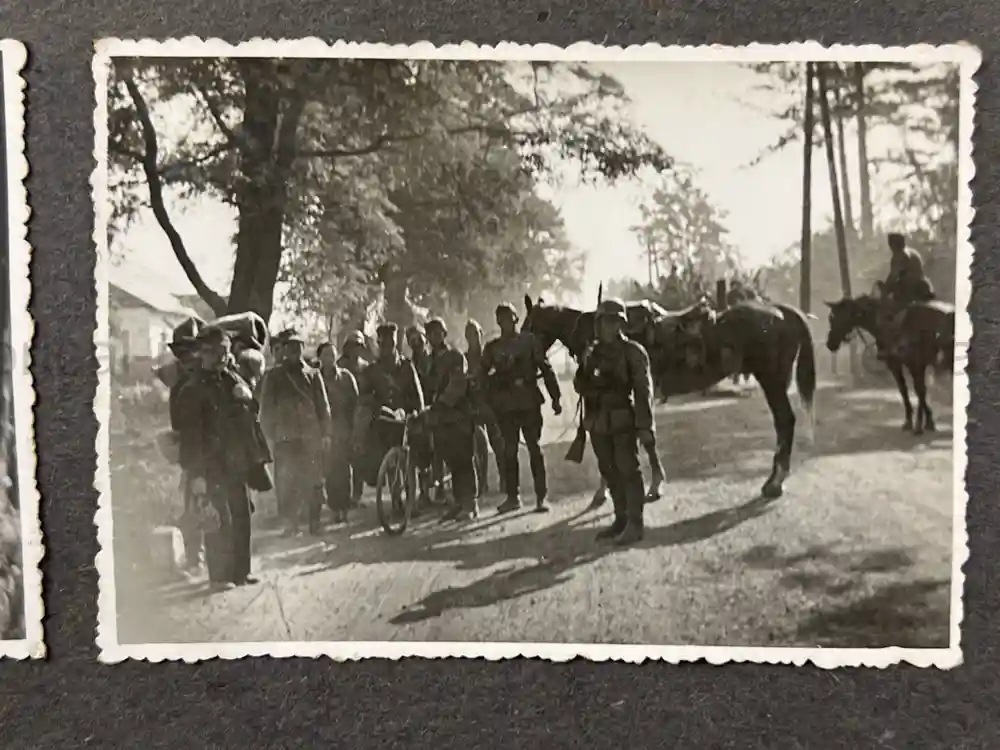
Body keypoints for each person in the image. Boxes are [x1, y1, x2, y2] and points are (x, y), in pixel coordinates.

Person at [177, 325, 273, 590]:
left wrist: (247, 396)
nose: (222, 357)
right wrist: (196, 474)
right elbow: (190, 436)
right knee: (219, 519)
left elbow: (252, 411)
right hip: (210, 465)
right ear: (203, 354)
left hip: (236, 461)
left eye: (225, 351)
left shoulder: (231, 378)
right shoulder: (193, 389)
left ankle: (241, 572)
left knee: (241, 514)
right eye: (217, 352)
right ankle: (219, 577)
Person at [573, 298, 654, 546]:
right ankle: (621, 519)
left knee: (628, 470)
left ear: (621, 323)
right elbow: (579, 386)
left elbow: (643, 391)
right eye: (604, 321)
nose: (608, 326)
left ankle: (635, 524)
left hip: (622, 419)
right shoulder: (593, 352)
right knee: (609, 470)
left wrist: (645, 426)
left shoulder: (633, 352)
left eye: (613, 321)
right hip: (599, 422)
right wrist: (585, 368)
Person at [480, 302, 561, 515]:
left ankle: (541, 497)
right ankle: (513, 497)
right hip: (505, 406)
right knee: (509, 450)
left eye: (509, 317)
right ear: (498, 322)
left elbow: (545, 367)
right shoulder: (493, 348)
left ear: (516, 319)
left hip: (528, 402)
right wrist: (488, 396)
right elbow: (481, 374)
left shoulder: (530, 342)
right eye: (501, 318)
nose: (505, 322)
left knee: (534, 447)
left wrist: (555, 397)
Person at [258, 329, 331, 535]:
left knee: (314, 480)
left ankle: (314, 522)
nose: (294, 352)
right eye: (290, 348)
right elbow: (266, 409)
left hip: (310, 436)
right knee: (287, 482)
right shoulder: (273, 376)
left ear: (302, 349)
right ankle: (291, 524)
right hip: (285, 437)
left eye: (297, 348)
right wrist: (269, 437)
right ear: (284, 351)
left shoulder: (314, 374)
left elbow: (323, 406)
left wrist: (325, 434)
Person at [355, 323, 425, 490]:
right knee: (377, 453)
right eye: (383, 344)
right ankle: (393, 493)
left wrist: (415, 412)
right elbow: (364, 396)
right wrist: (376, 407)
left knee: (415, 453)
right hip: (384, 420)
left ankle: (416, 495)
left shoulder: (407, 366)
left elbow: (417, 395)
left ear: (395, 344)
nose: (387, 348)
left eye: (390, 344)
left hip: (407, 419)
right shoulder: (372, 370)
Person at [424, 318, 479, 521]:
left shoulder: (455, 356)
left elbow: (458, 384)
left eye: (438, 332)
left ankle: (471, 504)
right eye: (430, 333)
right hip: (440, 419)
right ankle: (458, 502)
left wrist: (441, 402)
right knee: (451, 460)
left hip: (459, 414)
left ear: (444, 334)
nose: (434, 336)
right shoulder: (429, 361)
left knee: (464, 459)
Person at [318, 342, 359, 524]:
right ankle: (334, 508)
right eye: (325, 355)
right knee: (329, 472)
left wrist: (354, 429)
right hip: (326, 432)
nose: (329, 359)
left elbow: (356, 403)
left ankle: (344, 508)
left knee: (344, 471)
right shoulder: (315, 379)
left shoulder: (347, 377)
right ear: (320, 358)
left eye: (332, 355)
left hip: (344, 429)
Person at [464, 319, 506, 496]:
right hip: (473, 408)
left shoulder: (489, 355)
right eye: (469, 335)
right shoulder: (465, 359)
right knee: (477, 446)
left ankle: (504, 478)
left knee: (498, 443)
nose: (473, 338)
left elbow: (499, 377)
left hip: (491, 405)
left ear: (481, 334)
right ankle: (481, 482)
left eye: (476, 334)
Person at [879, 232, 936, 359]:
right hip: (924, 288)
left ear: (892, 245)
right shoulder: (913, 252)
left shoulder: (899, 256)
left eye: (891, 244)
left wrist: (885, 289)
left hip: (910, 292)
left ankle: (891, 346)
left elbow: (893, 276)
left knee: (885, 314)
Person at [338, 331, 370, 505]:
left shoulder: (366, 367)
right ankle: (342, 497)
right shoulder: (339, 366)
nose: (355, 350)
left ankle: (357, 496)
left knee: (358, 457)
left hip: (360, 417)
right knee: (341, 458)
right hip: (342, 415)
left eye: (358, 346)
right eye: (352, 346)